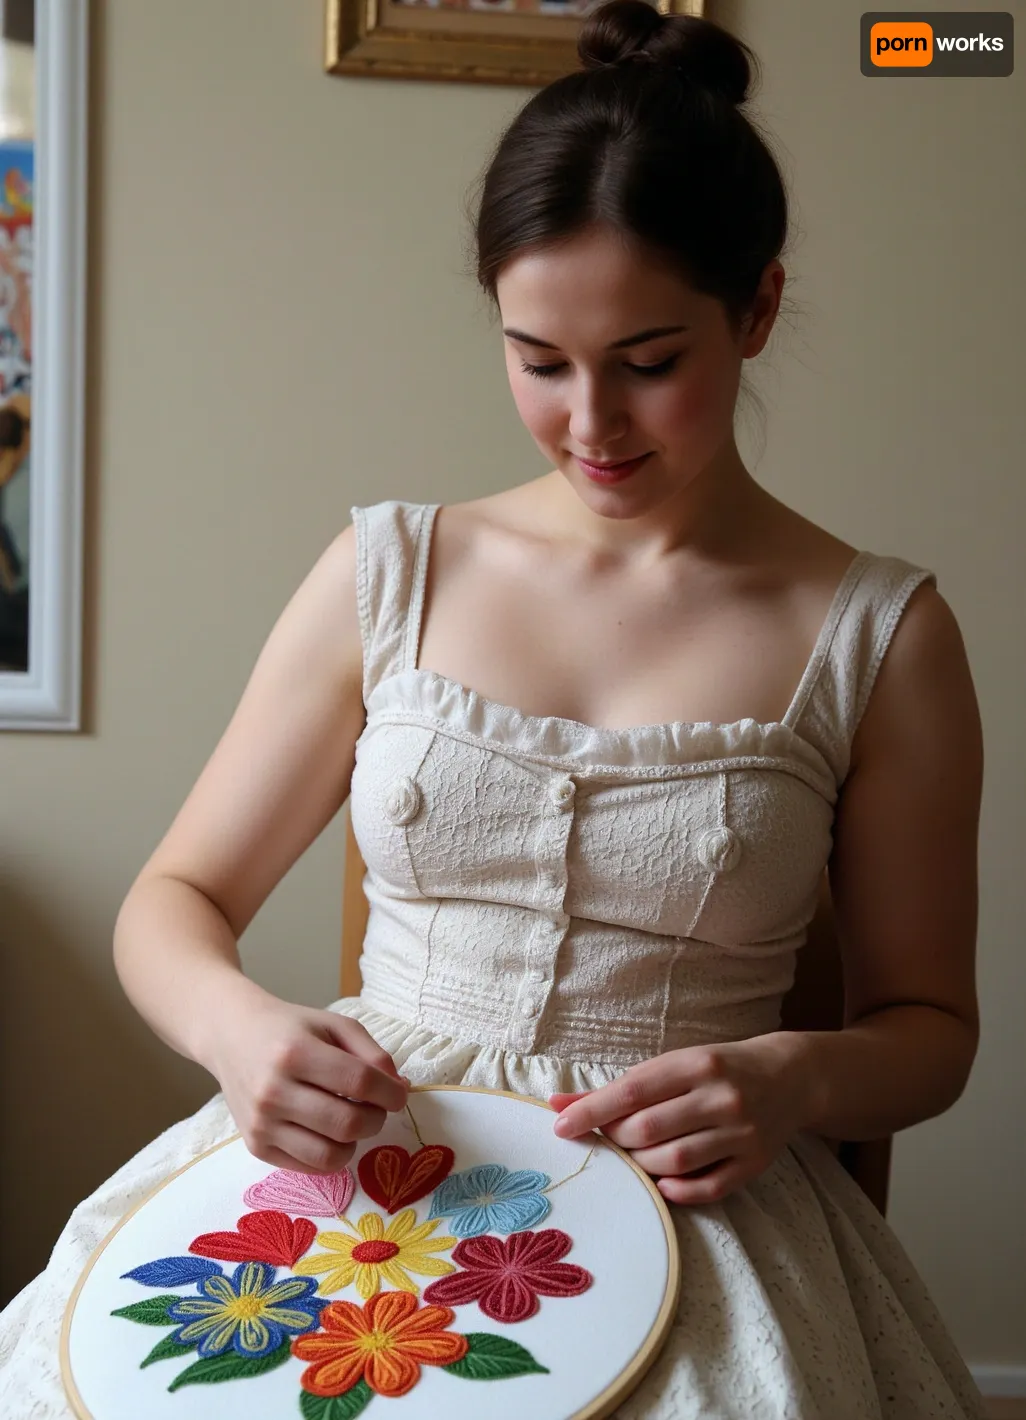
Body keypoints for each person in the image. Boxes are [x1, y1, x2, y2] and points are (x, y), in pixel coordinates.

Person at [0, 3, 987, 1414]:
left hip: (688, 1215)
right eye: (538, 360)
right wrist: (237, 1031)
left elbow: (926, 1028)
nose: (593, 425)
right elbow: (176, 894)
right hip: (363, 1196)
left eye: (650, 361)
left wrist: (795, 1083)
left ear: (756, 308)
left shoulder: (879, 636)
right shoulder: (391, 569)